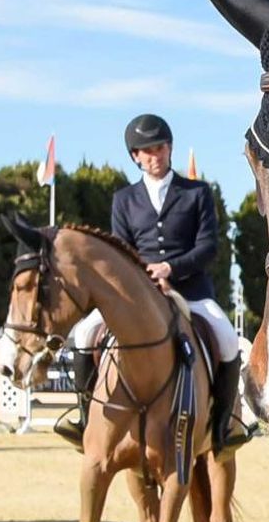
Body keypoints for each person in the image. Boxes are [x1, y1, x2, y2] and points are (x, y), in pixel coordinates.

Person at [59, 114, 252, 454]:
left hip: (190, 292)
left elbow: (208, 247)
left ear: (170, 148)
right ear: (135, 157)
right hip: (136, 296)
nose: (154, 156)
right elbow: (120, 250)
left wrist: (169, 268)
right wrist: (143, 277)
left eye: (160, 147)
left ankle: (223, 425)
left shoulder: (197, 192)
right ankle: (84, 416)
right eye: (146, 151)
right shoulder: (124, 199)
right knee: (85, 334)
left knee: (226, 338)